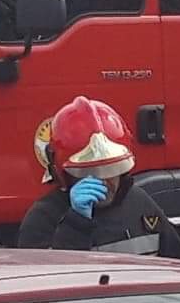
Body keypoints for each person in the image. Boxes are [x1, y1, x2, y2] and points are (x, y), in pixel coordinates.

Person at [17, 95, 172, 254]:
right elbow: (47, 275)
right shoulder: (42, 218)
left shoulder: (141, 203)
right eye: (88, 171)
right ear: (65, 174)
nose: (103, 180)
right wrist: (76, 224)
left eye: (111, 169)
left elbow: (179, 264)